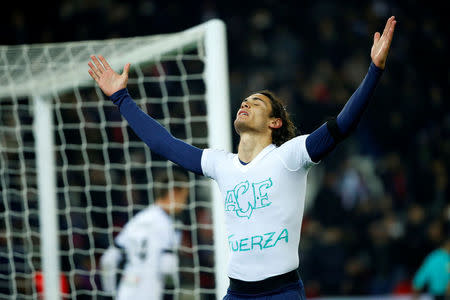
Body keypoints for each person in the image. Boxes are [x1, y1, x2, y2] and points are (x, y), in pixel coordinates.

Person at [89, 16, 396, 299]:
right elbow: (164, 144)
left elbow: (343, 125)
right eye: (244, 101)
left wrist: (374, 70)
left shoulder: (289, 155)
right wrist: (121, 98)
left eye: (257, 102)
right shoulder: (221, 164)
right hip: (237, 293)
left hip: (282, 292)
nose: (245, 104)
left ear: (275, 122)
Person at [99, 170, 189, 300]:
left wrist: (109, 293)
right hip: (151, 293)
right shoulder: (170, 226)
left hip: (125, 292)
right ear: (174, 193)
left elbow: (108, 259)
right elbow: (168, 266)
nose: (185, 204)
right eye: (184, 197)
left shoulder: (138, 220)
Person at [412, 235, 450, 300]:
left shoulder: (433, 256)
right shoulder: (434, 257)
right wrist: (417, 287)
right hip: (438, 294)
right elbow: (422, 274)